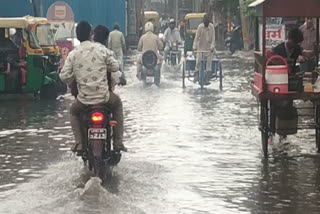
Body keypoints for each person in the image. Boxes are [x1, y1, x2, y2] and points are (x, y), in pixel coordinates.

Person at [59, 21, 127, 153]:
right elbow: (115, 66)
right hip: (104, 98)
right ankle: (118, 143)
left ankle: (79, 143)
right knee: (118, 105)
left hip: (84, 101)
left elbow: (64, 76)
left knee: (73, 112)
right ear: (91, 35)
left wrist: (75, 74)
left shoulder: (73, 54)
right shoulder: (101, 49)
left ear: (77, 37)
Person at [93, 25, 123, 92]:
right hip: (103, 95)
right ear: (105, 40)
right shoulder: (107, 53)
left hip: (83, 97)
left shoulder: (80, 52)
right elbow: (116, 67)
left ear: (93, 37)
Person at [193, 14, 215, 84]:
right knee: (198, 60)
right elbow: (196, 38)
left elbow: (213, 39)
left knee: (209, 60)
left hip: (209, 48)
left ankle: (208, 73)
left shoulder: (212, 27)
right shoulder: (200, 27)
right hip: (201, 47)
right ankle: (196, 73)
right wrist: (194, 47)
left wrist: (212, 47)